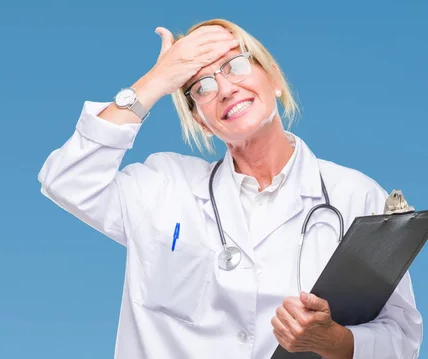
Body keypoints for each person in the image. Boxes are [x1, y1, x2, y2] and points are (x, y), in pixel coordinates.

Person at [37, 18, 423, 359]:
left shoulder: (355, 195)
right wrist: (156, 80)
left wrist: (334, 341)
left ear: (272, 76)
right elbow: (67, 180)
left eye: (236, 65)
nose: (224, 88)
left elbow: (402, 338)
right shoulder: (162, 185)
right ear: (201, 121)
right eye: (200, 86)